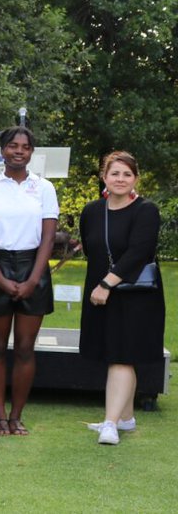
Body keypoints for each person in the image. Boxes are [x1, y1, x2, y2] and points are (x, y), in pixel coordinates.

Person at [0, 126, 58, 437]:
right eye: (13, 146)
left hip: (32, 266)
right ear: (3, 150)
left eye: (25, 146)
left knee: (24, 349)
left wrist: (33, 280)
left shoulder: (44, 188)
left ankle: (16, 416)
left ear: (32, 152)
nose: (19, 151)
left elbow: (48, 237)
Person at [79, 151, 164, 446]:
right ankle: (126, 418)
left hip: (134, 295)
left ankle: (111, 424)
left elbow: (139, 253)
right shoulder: (91, 211)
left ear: (136, 179)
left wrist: (106, 284)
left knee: (122, 357)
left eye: (127, 174)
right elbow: (93, 251)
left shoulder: (146, 210)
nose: (120, 179)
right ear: (104, 177)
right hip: (101, 293)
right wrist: (101, 287)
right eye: (115, 173)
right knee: (115, 353)